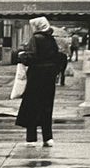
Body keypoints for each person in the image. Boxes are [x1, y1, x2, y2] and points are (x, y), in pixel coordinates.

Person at [15, 16, 62, 148]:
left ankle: (31, 137)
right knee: (46, 106)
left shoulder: (36, 39)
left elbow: (32, 56)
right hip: (49, 76)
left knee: (32, 105)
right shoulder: (51, 39)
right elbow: (57, 56)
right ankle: (48, 137)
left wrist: (22, 55)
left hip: (36, 75)